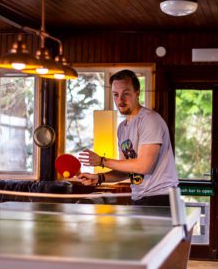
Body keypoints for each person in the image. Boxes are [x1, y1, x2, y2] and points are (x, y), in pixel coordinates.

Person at [75, 69, 178, 206]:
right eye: (116, 95)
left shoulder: (149, 120)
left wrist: (101, 161)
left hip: (160, 197)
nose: (120, 100)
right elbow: (126, 170)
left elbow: (143, 166)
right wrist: (99, 177)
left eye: (126, 93)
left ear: (137, 92)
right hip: (139, 197)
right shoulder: (122, 128)